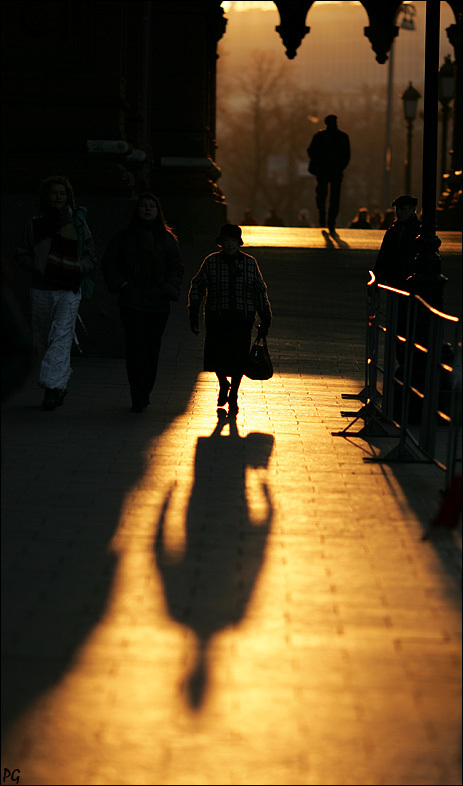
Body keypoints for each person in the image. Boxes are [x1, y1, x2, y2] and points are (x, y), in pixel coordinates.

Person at [16, 175, 97, 410]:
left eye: (62, 193)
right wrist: (37, 267)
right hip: (41, 287)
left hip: (68, 290)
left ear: (68, 197)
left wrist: (76, 269)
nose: (58, 197)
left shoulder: (78, 224)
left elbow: (91, 256)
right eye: (54, 193)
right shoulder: (34, 224)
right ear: (46, 196)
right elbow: (22, 252)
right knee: (42, 338)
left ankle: (51, 390)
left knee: (61, 336)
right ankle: (59, 384)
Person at [102, 193, 184, 413]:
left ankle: (144, 388)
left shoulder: (167, 239)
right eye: (143, 206)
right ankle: (138, 394)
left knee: (152, 347)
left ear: (158, 211)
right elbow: (109, 262)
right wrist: (122, 284)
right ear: (137, 210)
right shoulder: (124, 237)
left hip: (158, 302)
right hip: (132, 300)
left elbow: (177, 267)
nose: (147, 209)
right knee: (136, 347)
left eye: (152, 206)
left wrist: (168, 289)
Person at [188, 223, 272, 414]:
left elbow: (259, 290)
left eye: (232, 241)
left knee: (239, 358)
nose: (229, 245)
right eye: (225, 241)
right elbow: (198, 285)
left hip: (242, 319)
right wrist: (193, 310)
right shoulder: (211, 262)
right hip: (217, 317)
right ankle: (223, 383)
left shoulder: (250, 263)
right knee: (216, 356)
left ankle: (233, 394)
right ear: (221, 243)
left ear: (238, 242)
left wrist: (265, 317)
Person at [307, 114, 350, 234]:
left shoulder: (319, 136)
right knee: (334, 198)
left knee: (322, 195)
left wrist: (318, 162)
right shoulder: (342, 137)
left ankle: (323, 216)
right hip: (335, 172)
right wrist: (340, 167)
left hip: (323, 171)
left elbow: (310, 151)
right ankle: (331, 221)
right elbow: (346, 156)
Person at [373, 194, 421, 288]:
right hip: (397, 277)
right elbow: (383, 256)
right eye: (397, 209)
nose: (398, 212)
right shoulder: (393, 230)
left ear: (412, 209)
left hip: (408, 277)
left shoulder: (396, 230)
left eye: (402, 209)